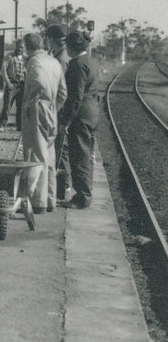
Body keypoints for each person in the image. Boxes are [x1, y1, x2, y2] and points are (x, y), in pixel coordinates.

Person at [21, 32, 67, 212]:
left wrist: (30, 103)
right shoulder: (54, 61)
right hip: (52, 110)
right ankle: (50, 199)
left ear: (27, 46)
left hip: (37, 108)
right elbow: (63, 92)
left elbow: (38, 81)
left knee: (35, 154)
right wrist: (53, 107)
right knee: (49, 155)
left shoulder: (35, 61)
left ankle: (37, 202)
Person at [59, 31, 99, 209]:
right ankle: (84, 193)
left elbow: (75, 97)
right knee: (86, 154)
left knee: (79, 156)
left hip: (80, 115)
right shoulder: (91, 61)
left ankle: (82, 197)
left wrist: (66, 121)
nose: (66, 49)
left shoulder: (77, 65)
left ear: (72, 46)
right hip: (91, 112)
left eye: (67, 46)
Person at [45, 25, 72, 199]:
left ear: (52, 39)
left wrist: (55, 111)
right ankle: (63, 186)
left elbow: (62, 89)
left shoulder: (61, 58)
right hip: (62, 108)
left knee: (61, 148)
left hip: (60, 109)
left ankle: (64, 187)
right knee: (60, 147)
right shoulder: (59, 54)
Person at [0, 39, 26, 130]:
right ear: (15, 46)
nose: (20, 49)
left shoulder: (26, 58)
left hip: (22, 84)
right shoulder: (9, 56)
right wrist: (8, 83)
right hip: (12, 83)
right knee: (7, 105)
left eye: (22, 47)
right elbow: (3, 70)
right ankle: (2, 124)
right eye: (18, 47)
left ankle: (20, 126)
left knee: (21, 106)